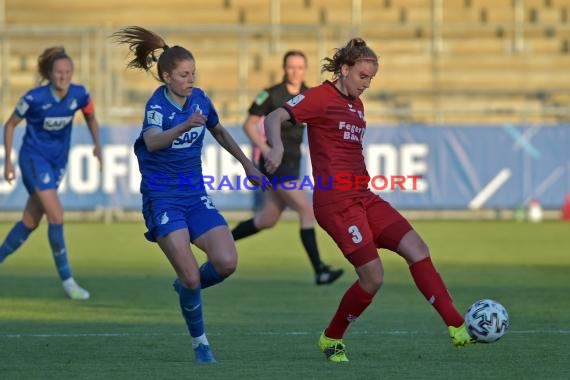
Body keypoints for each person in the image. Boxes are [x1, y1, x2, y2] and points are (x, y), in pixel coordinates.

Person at [263, 38, 475, 362]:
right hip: (336, 204)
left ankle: (456, 325)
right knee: (373, 277)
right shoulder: (320, 97)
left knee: (417, 249)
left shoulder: (357, 105)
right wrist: (276, 147)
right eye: (363, 76)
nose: (367, 84)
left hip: (364, 197)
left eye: (371, 78)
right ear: (345, 69)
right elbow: (273, 117)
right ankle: (331, 337)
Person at [112, 26, 266, 364]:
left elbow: (220, 131)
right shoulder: (157, 106)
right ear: (166, 77)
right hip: (162, 198)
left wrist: (246, 165)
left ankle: (185, 289)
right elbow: (152, 141)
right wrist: (184, 125)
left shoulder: (200, 100)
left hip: (194, 195)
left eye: (193, 73)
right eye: (184, 74)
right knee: (193, 275)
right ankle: (201, 344)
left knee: (227, 262)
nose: (191, 79)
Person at [232, 51, 344, 286]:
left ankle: (220, 241)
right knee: (306, 209)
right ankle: (319, 270)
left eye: (300, 67)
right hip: (275, 164)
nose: (295, 71)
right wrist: (264, 148)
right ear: (284, 68)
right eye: (291, 67)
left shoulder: (309, 94)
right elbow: (249, 124)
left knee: (267, 219)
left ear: (305, 69)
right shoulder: (271, 94)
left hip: (293, 161)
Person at [1, 46, 102, 301]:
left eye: (68, 71)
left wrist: (97, 144)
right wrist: (9, 162)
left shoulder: (79, 95)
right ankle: (68, 282)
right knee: (56, 215)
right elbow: (10, 124)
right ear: (50, 73)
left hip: (57, 163)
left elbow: (91, 117)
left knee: (30, 221)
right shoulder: (34, 98)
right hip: (33, 159)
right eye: (59, 72)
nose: (63, 76)